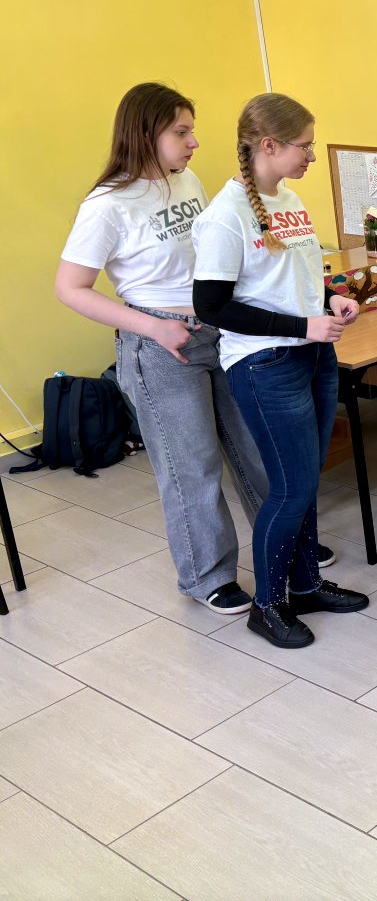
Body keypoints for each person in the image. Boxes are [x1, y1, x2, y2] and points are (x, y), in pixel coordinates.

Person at [56, 83, 275, 615]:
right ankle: (208, 576)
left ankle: (282, 542)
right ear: (145, 133)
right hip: (160, 345)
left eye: (191, 130)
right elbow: (70, 288)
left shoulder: (186, 180)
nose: (194, 142)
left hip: (215, 330)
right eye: (181, 132)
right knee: (191, 464)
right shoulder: (107, 205)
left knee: (252, 444)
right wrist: (154, 329)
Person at [192, 93, 370, 649]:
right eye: (305, 146)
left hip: (311, 352)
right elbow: (211, 306)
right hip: (264, 364)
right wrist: (302, 326)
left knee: (307, 480)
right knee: (289, 489)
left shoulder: (288, 199)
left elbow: (296, 277)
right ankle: (266, 605)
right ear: (268, 146)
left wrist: (331, 297)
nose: (312, 156)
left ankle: (306, 585)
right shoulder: (225, 216)